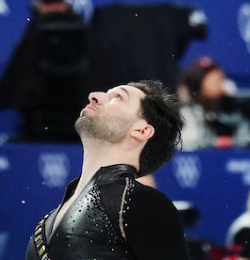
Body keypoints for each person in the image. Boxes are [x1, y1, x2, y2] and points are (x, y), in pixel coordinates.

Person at [26, 80, 187, 260]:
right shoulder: (48, 220)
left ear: (141, 131)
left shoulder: (141, 202)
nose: (94, 96)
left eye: (118, 97)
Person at [0, 0, 90, 141]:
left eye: (57, 1)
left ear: (66, 4)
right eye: (48, 2)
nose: (53, 8)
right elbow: (19, 76)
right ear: (39, 5)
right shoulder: (31, 39)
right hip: (36, 120)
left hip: (77, 119)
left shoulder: (83, 34)